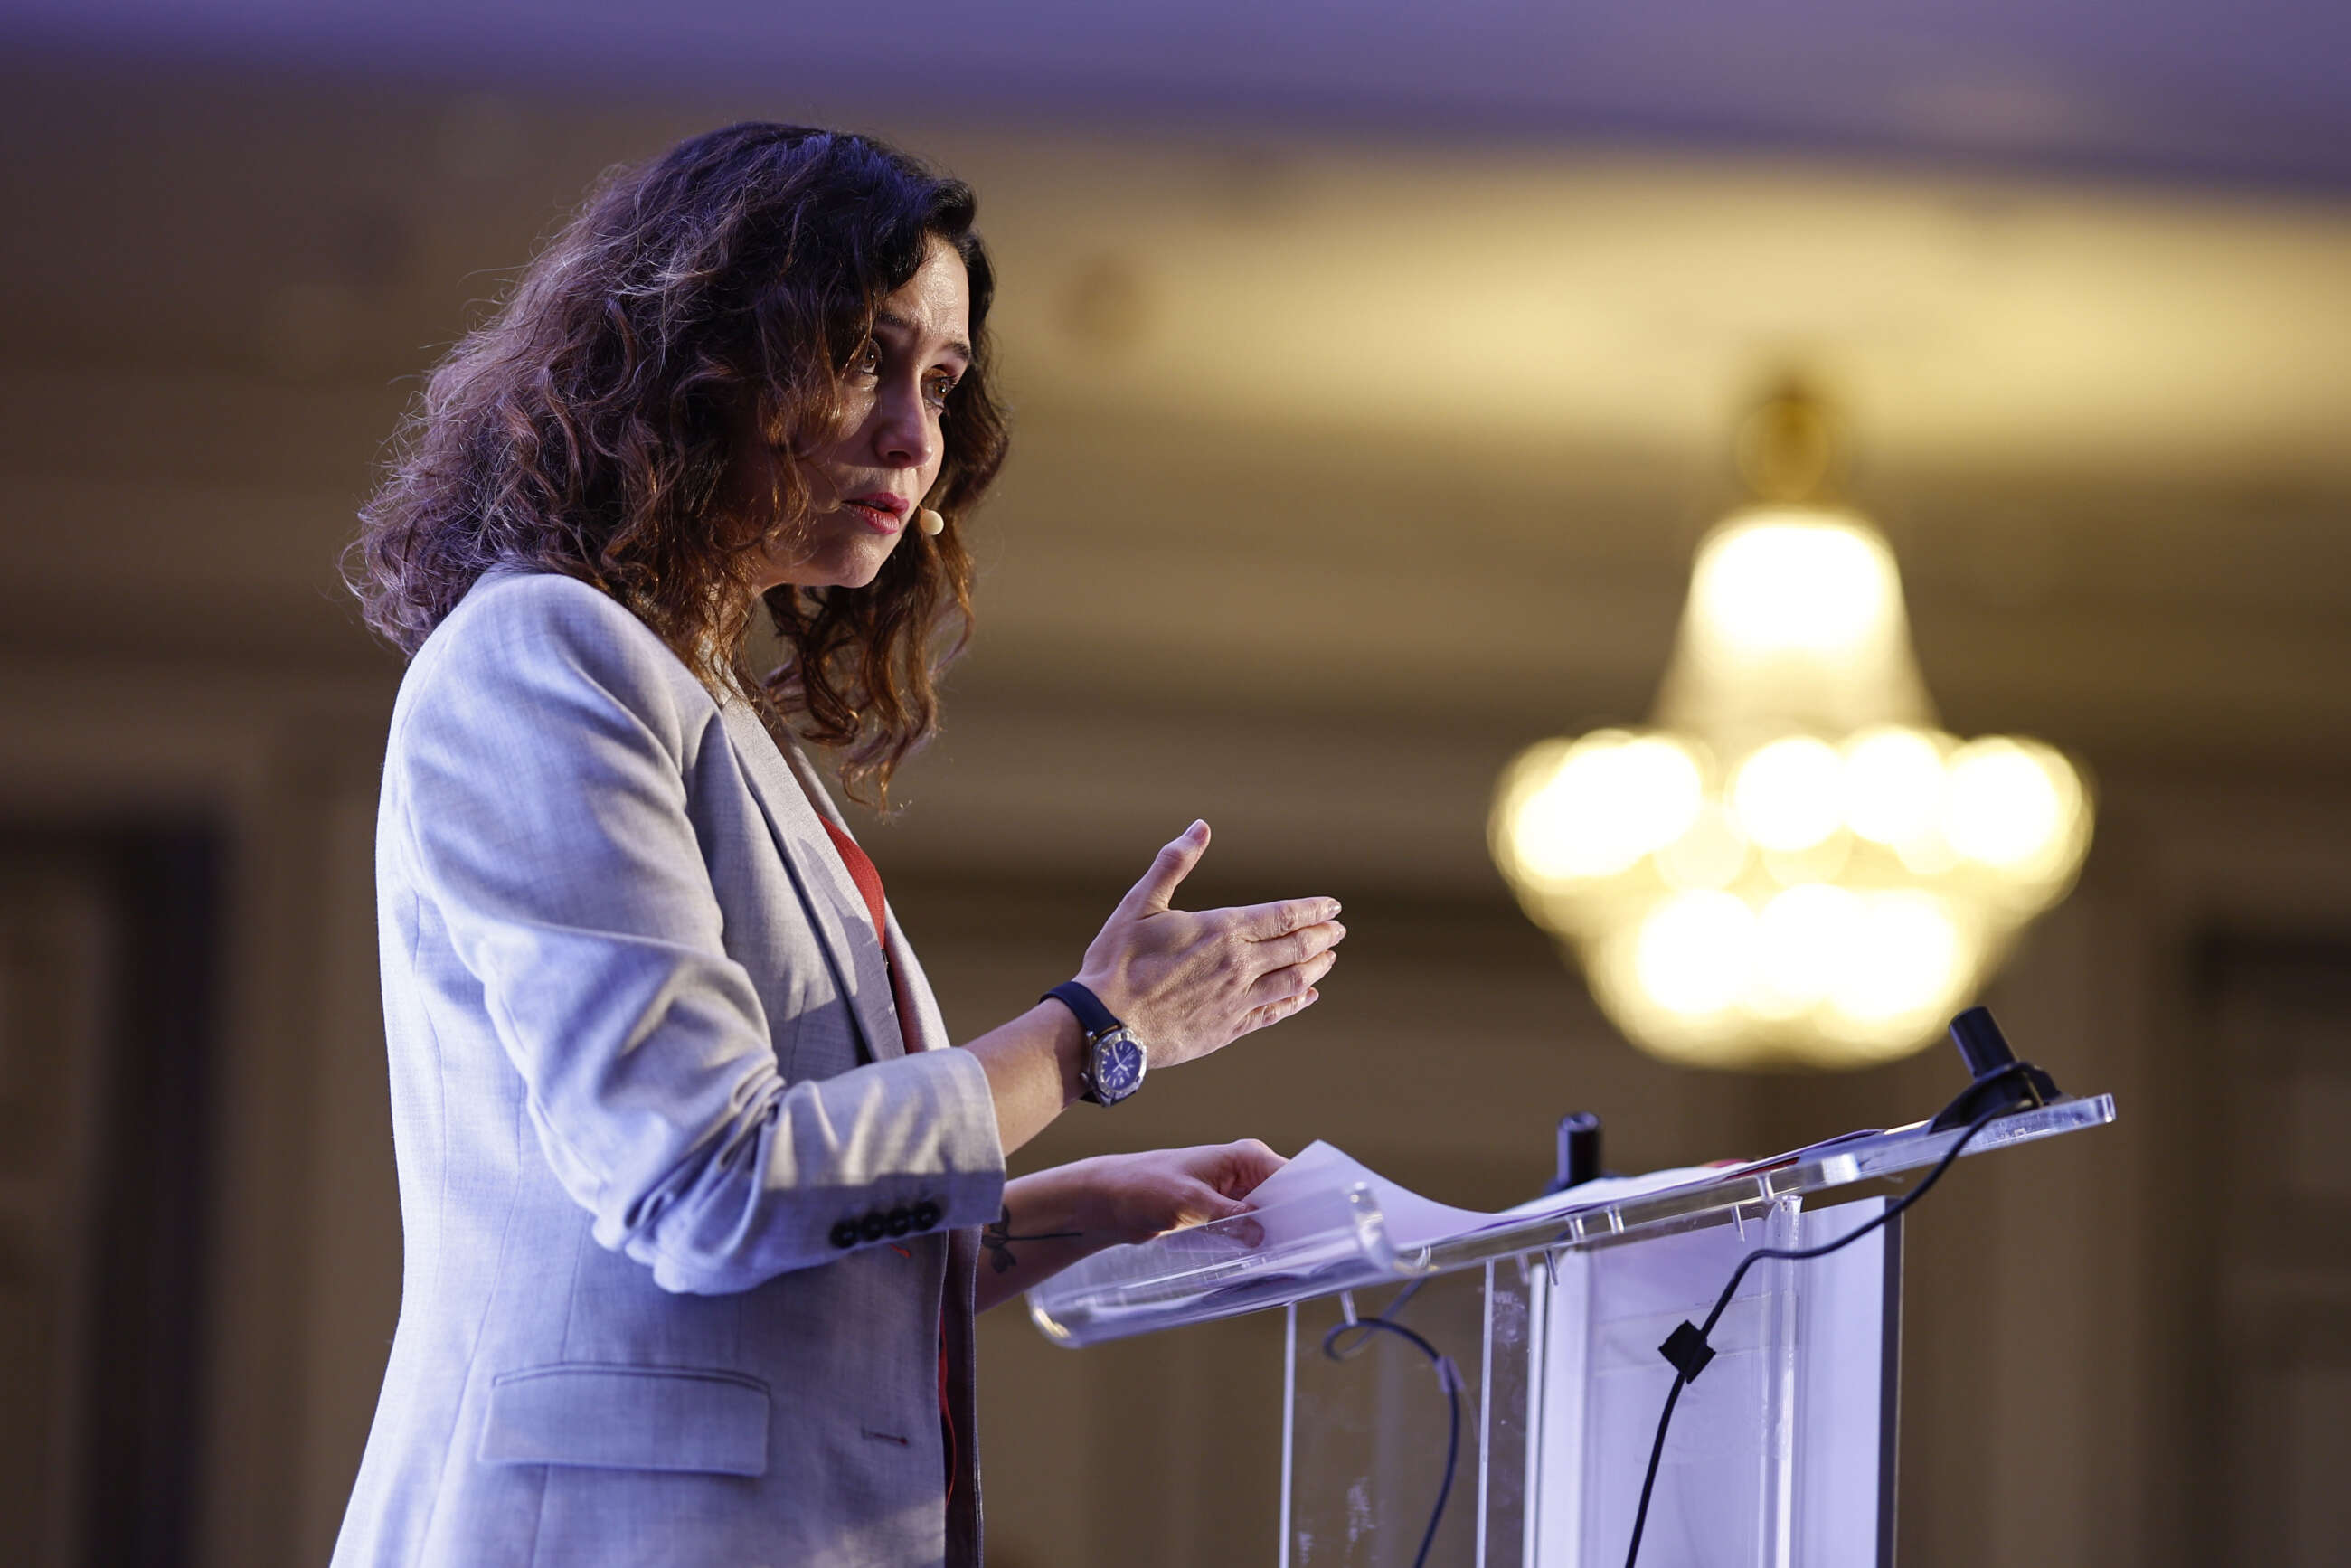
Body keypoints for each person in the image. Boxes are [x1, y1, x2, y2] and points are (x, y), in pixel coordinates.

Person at [328, 123, 1345, 1568]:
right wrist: (1090, 1031)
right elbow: (707, 1187)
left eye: (939, 383)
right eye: (867, 355)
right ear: (702, 353)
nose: (916, 435)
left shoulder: (715, 711)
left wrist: (1074, 1211)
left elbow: (787, 1234)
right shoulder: (545, 656)